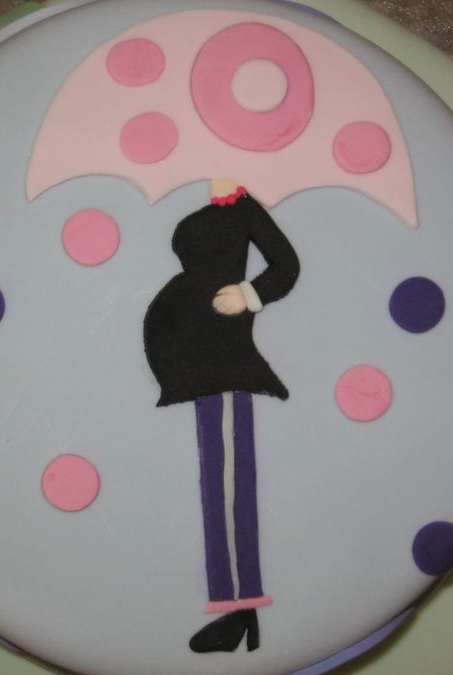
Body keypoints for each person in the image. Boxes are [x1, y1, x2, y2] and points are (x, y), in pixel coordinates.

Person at [143, 179, 300, 653]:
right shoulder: (210, 202)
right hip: (199, 369)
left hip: (225, 363)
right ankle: (234, 608)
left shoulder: (245, 207)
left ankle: (242, 608)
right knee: (217, 485)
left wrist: (249, 294)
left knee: (230, 486)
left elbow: (286, 266)